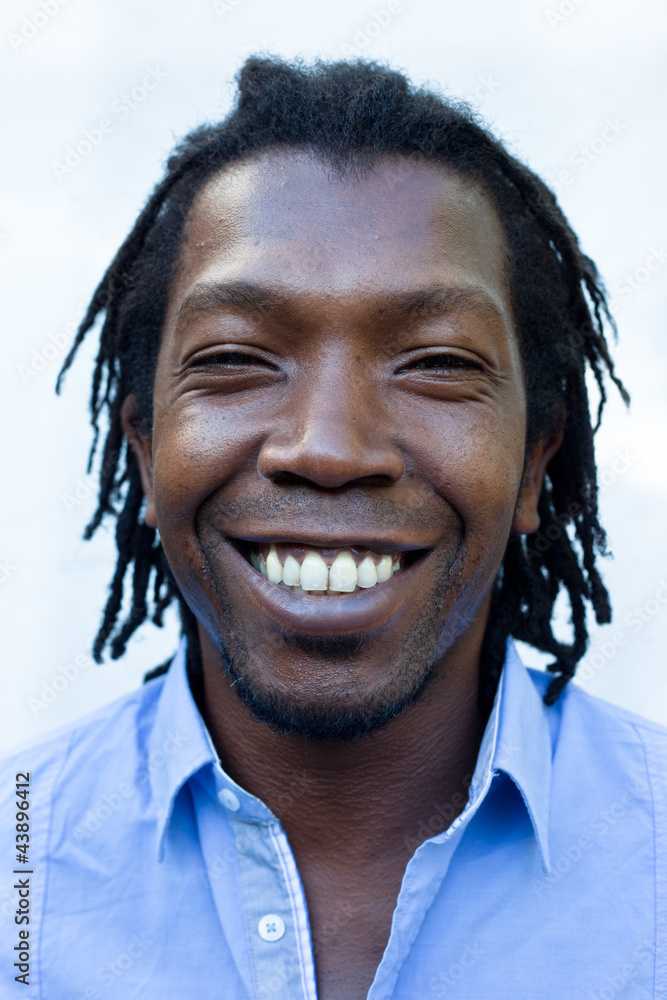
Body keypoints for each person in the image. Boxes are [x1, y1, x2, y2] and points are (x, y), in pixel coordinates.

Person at [1, 55, 664, 999]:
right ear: (145, 450)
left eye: (434, 362)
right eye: (235, 357)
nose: (328, 446)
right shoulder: (15, 862)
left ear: (533, 462)